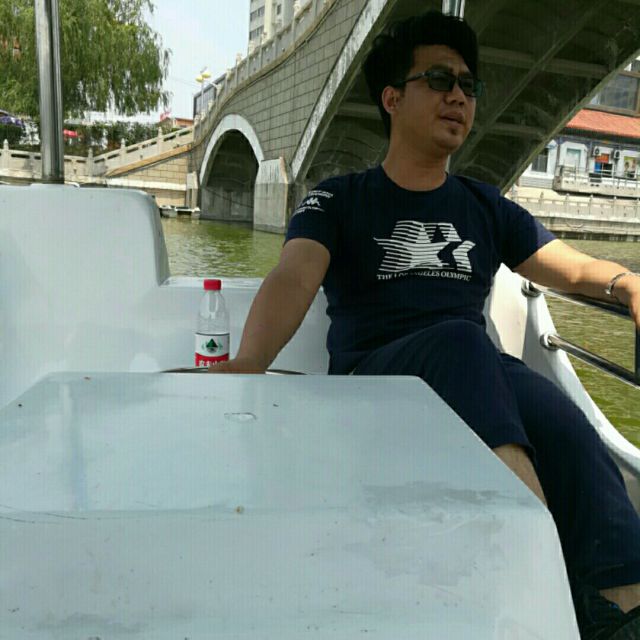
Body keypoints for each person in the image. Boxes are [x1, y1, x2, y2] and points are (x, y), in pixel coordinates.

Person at [210, 10, 640, 638]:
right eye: (439, 80)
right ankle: (534, 565)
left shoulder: (484, 205)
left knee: (568, 427)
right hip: (373, 380)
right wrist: (249, 363)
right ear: (392, 99)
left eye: (468, 85)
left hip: (476, 374)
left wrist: (626, 283)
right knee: (463, 342)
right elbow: (295, 277)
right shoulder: (339, 197)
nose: (458, 96)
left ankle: (621, 614)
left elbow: (570, 268)